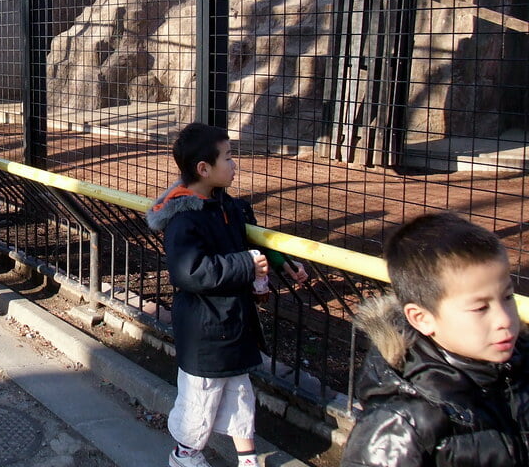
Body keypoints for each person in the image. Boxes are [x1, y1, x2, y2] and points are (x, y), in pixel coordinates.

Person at [146, 123, 308, 467]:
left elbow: (245, 243)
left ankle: (247, 458)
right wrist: (246, 266)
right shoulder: (185, 219)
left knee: (239, 393)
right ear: (203, 169)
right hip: (204, 329)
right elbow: (189, 272)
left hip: (231, 321)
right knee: (201, 399)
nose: (235, 165)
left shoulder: (226, 207)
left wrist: (280, 262)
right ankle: (185, 453)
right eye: (229, 157)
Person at [340, 212, 529, 466]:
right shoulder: (402, 424)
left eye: (507, 297)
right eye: (480, 308)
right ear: (422, 318)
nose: (505, 319)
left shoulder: (520, 369)